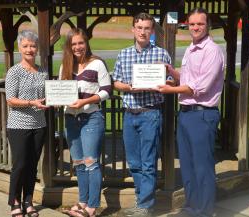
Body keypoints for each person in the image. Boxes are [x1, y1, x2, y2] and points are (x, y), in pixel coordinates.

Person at [157, 8, 225, 217]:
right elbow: (187, 79)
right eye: (192, 24)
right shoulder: (190, 49)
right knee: (187, 165)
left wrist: (171, 90)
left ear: (208, 26)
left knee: (202, 167)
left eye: (200, 24)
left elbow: (200, 87)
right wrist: (172, 72)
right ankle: (191, 207)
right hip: (186, 113)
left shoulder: (212, 51)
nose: (195, 28)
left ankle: (204, 211)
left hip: (202, 114)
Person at [112, 12, 171, 217]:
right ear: (133, 30)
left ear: (152, 31)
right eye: (139, 28)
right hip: (130, 115)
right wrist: (129, 87)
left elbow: (172, 82)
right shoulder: (123, 54)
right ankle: (142, 200)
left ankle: (145, 205)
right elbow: (115, 82)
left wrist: (160, 82)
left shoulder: (161, 55)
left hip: (150, 114)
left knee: (148, 162)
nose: (143, 32)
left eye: (147, 28)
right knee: (134, 162)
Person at [60, 28, 112, 217]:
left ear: (86, 43)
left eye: (80, 43)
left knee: (91, 163)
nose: (77, 47)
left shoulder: (97, 64)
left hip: (91, 118)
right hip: (71, 119)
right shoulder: (65, 66)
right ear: (69, 46)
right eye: (73, 44)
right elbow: (60, 90)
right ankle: (82, 201)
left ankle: (91, 206)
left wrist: (85, 101)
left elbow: (107, 90)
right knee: (79, 163)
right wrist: (56, 98)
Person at [5, 30, 49, 217]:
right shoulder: (14, 71)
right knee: (20, 164)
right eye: (26, 46)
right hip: (18, 125)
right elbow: (10, 100)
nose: (30, 49)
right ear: (19, 48)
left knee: (32, 165)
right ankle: (14, 201)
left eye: (33, 46)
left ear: (37, 48)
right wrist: (32, 102)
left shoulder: (43, 72)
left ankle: (28, 201)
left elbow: (47, 95)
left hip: (39, 125)